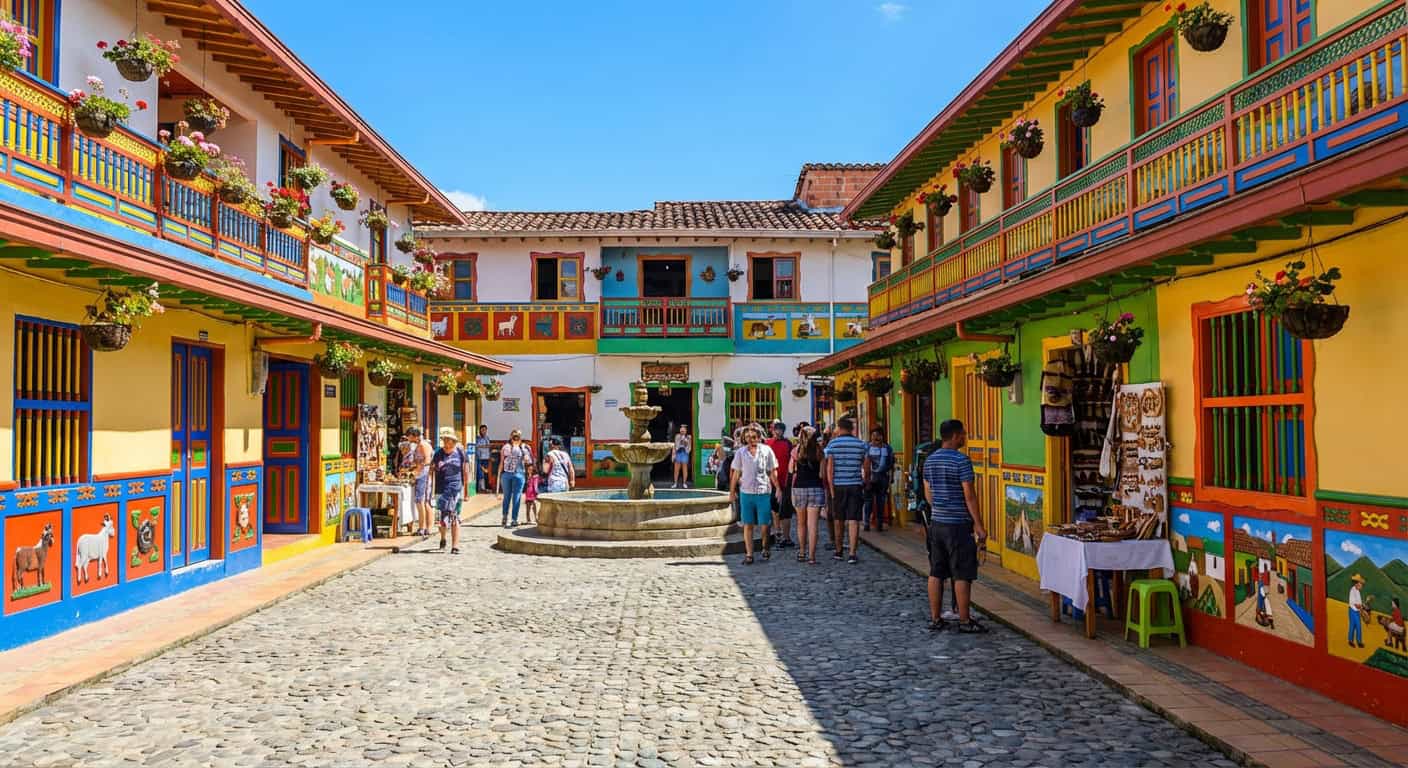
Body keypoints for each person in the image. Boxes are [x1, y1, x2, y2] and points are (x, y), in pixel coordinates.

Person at [922, 419, 989, 633]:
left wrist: (939, 509)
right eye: (962, 434)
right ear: (954, 436)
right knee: (962, 572)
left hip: (937, 523)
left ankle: (935, 618)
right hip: (958, 524)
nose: (965, 437)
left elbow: (928, 493)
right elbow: (969, 495)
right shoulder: (961, 461)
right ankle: (964, 620)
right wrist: (979, 525)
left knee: (936, 571)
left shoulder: (929, 461)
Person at [730, 424, 779, 565]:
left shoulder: (767, 450)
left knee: (765, 524)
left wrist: (778, 488)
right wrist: (732, 491)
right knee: (748, 524)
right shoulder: (740, 453)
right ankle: (749, 554)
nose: (750, 439)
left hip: (763, 492)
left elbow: (771, 470)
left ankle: (765, 546)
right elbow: (736, 473)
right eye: (747, 437)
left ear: (759, 437)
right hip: (746, 492)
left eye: (753, 437)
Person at [823, 417, 867, 564]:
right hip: (855, 485)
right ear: (851, 429)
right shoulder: (861, 445)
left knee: (838, 519)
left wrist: (831, 489)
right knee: (854, 520)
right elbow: (866, 467)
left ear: (839, 428)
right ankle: (853, 553)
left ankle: (839, 550)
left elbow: (830, 469)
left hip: (838, 485)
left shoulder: (833, 444)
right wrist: (865, 482)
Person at [431, 427, 471, 554]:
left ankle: (455, 546)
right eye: (444, 440)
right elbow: (432, 470)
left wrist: (466, 491)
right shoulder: (438, 454)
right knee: (443, 518)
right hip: (441, 490)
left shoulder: (460, 453)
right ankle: (443, 538)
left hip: (456, 489)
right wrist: (431, 491)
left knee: (455, 517)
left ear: (453, 441)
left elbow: (465, 471)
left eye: (449, 440)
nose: (446, 442)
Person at [790, 426, 826, 565]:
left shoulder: (796, 450)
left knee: (801, 523)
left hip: (799, 488)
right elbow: (821, 474)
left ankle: (802, 551)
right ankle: (812, 556)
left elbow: (791, 470)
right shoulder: (820, 451)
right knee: (813, 525)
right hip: (816, 488)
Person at [398, 426, 433, 537]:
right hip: (420, 475)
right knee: (420, 502)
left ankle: (424, 528)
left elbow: (427, 461)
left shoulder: (423, 445)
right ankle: (424, 527)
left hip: (424, 476)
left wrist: (416, 471)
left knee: (422, 501)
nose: (408, 439)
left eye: (409, 437)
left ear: (414, 436)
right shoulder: (418, 445)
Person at [765, 420, 795, 549]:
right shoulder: (768, 443)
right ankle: (778, 531)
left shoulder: (788, 444)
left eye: (780, 430)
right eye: (776, 430)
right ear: (773, 430)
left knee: (785, 508)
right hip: (772, 480)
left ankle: (784, 534)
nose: (778, 432)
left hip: (785, 480)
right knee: (775, 506)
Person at [497, 429, 533, 528]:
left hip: (506, 474)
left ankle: (505, 517)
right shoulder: (524, 447)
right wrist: (530, 475)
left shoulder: (505, 447)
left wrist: (499, 474)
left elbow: (501, 462)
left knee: (507, 496)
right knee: (516, 497)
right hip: (519, 474)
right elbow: (528, 462)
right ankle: (514, 519)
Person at [863, 427, 896, 532]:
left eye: (878, 435)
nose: (875, 437)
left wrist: (891, 476)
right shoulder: (867, 448)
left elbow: (891, 463)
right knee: (868, 501)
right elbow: (863, 463)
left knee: (880, 501)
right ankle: (866, 523)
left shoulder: (887, 448)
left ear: (882, 436)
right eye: (873, 435)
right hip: (870, 476)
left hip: (882, 477)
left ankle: (879, 523)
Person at [1348, 573, 1365, 648]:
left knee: (1355, 626)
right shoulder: (1352, 591)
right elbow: (1356, 604)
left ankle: (1354, 641)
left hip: (1356, 611)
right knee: (1356, 626)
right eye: (1361, 584)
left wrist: (1361, 607)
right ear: (1357, 583)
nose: (1361, 586)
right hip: (1353, 611)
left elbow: (1359, 603)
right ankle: (1355, 641)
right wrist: (1361, 607)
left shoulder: (1357, 591)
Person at [475, 425, 492, 493]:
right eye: (482, 430)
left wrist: (490, 455)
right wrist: (485, 446)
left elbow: (489, 447)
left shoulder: (487, 438)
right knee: (480, 473)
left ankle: (485, 487)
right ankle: (480, 488)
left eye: (485, 430)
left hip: (486, 457)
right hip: (480, 458)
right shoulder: (477, 438)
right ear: (480, 431)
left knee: (486, 473)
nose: (484, 431)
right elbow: (477, 446)